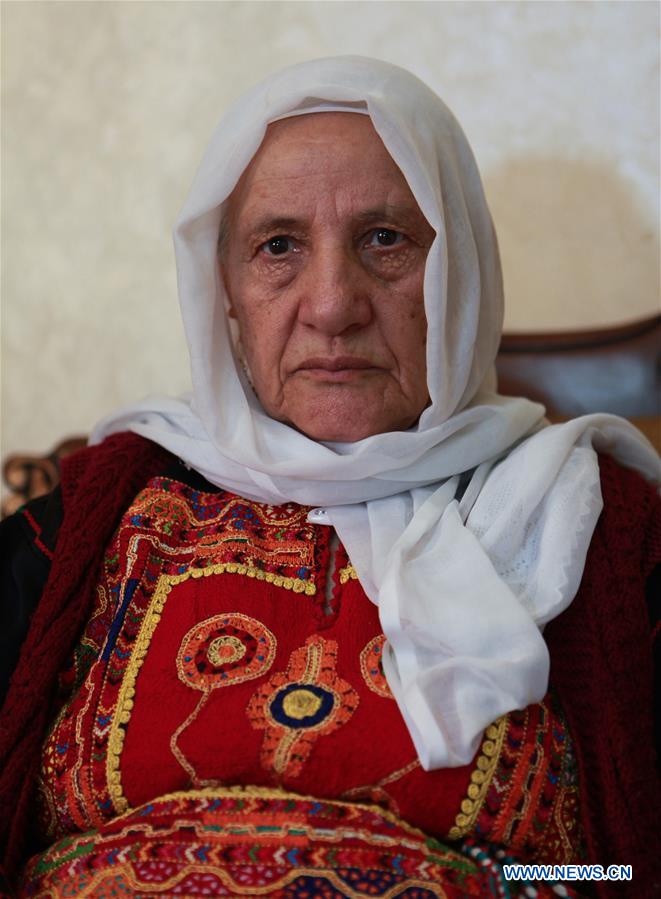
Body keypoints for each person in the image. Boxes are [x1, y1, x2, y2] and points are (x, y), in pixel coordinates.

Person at [1, 56, 659, 899]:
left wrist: (492, 881)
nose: (331, 303)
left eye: (385, 240)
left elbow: (622, 872)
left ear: (460, 274)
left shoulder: (591, 530)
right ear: (226, 294)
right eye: (278, 246)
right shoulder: (88, 525)